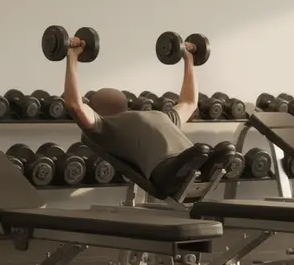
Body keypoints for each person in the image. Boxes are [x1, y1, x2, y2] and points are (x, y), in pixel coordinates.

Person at [62, 40, 213, 195]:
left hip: (192, 159)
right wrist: (72, 58)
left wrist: (188, 58)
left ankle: (210, 163)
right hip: (166, 170)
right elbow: (75, 105)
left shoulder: (157, 116)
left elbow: (189, 103)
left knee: (217, 151)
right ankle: (202, 160)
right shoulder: (104, 126)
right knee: (201, 151)